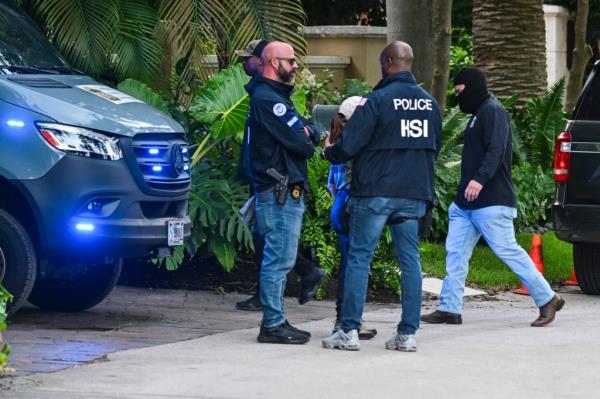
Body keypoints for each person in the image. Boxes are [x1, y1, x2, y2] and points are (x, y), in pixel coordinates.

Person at [321, 41, 442, 352]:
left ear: (388, 62)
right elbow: (435, 147)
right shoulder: (430, 104)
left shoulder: (376, 101)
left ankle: (348, 331)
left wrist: (328, 152)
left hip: (374, 193)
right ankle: (407, 334)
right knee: (410, 262)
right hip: (414, 193)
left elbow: (349, 146)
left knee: (360, 258)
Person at [421, 67, 564, 327]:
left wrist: (479, 179)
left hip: (492, 200)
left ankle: (548, 298)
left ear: (474, 87)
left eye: (461, 91)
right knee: (455, 254)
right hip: (466, 205)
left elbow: (496, 149)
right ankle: (449, 308)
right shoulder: (478, 114)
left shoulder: (493, 111)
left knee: (507, 250)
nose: (458, 96)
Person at [234, 40, 325, 312]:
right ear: (274, 62)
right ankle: (273, 322)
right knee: (277, 258)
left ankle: (274, 317)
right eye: (291, 61)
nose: (296, 66)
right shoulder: (268, 99)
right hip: (276, 187)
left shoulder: (276, 98)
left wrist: (306, 134)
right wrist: (304, 135)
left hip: (277, 186)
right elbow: (303, 142)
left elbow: (308, 135)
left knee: (277, 255)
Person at [326, 96, 377, 340]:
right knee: (354, 263)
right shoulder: (355, 143)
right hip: (351, 204)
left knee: (349, 261)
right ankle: (347, 321)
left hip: (339, 204)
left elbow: (331, 185)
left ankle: (345, 318)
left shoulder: (336, 143)